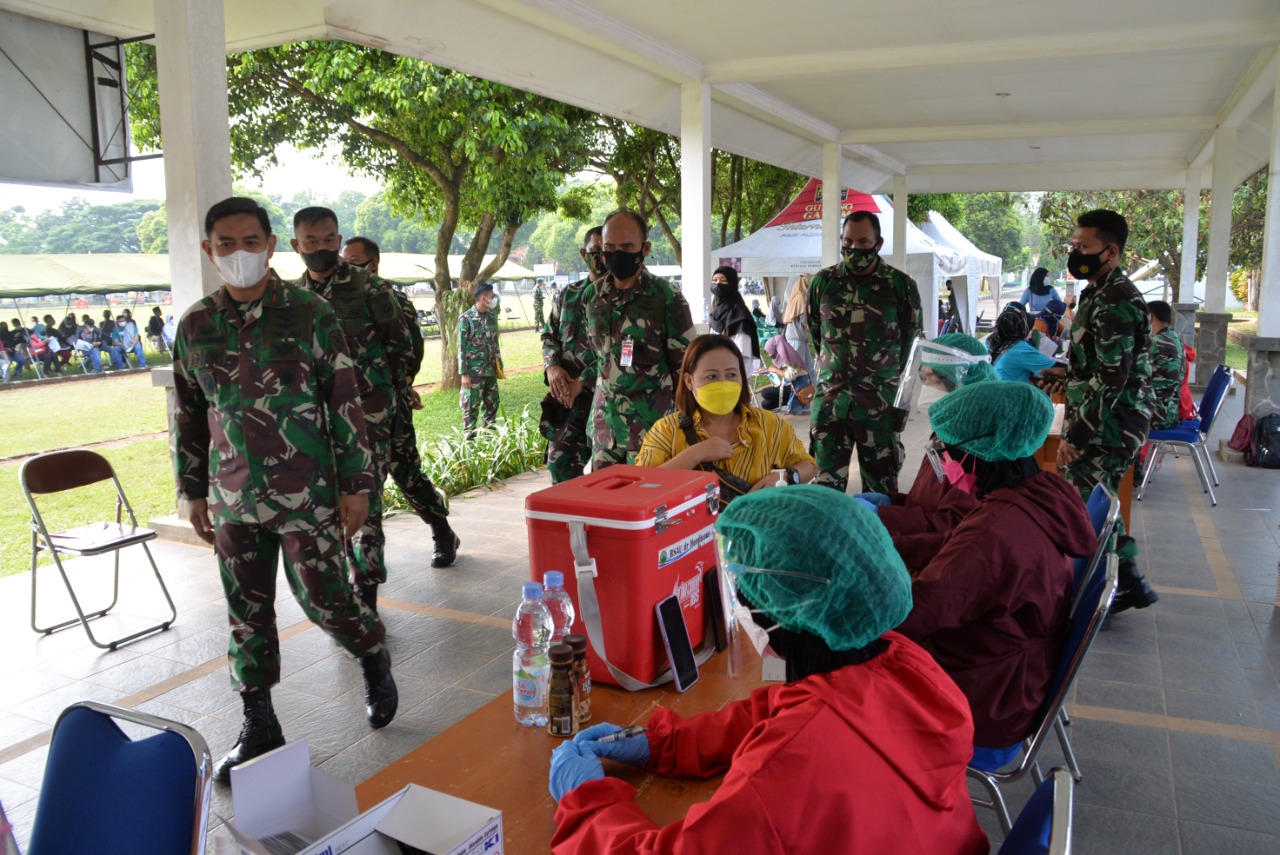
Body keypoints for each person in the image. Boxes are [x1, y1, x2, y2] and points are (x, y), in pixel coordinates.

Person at [548, 487, 989, 855]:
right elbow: (780, 708)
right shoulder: (902, 660)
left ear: (778, 614)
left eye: (743, 591)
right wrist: (663, 743)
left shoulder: (782, 775)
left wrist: (586, 800)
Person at [171, 196, 398, 784]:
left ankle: (371, 651)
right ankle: (259, 725)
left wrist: (357, 486)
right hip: (232, 500)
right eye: (226, 244)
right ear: (208, 250)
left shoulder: (310, 313)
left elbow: (344, 401)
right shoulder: (195, 325)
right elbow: (190, 416)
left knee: (325, 600)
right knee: (247, 614)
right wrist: (191, 490)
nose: (239, 253)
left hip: (307, 495)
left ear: (271, 246)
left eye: (251, 242)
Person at [897, 381, 1096, 750]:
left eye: (948, 452)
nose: (946, 463)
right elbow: (954, 546)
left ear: (979, 452)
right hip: (1017, 673)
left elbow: (920, 610)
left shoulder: (995, 530)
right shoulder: (1044, 493)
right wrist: (891, 548)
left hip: (987, 694)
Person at [293, 206, 416, 613]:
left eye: (329, 240)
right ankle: (341, 580)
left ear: (338, 238)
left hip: (369, 414)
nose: (321, 248)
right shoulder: (292, 298)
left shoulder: (368, 287)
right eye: (311, 242)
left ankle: (366, 590)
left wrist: (394, 396)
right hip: (315, 419)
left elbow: (400, 345)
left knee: (368, 499)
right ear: (296, 246)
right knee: (326, 501)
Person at [1041, 209, 1157, 613]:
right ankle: (1127, 581)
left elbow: (1112, 379)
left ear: (1110, 251)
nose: (1075, 253)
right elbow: (1094, 366)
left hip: (1111, 422)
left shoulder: (1115, 300)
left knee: (1085, 502)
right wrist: (1063, 375)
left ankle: (1098, 593)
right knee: (1099, 501)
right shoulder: (1098, 291)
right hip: (1107, 415)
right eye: (1073, 246)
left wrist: (1075, 437)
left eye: (1083, 247)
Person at [343, 236, 460, 567]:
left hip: (389, 407)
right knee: (361, 481)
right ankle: (363, 562)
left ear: (373, 264)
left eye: (354, 262)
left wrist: (400, 385)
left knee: (406, 473)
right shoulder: (333, 302)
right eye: (344, 261)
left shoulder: (392, 299)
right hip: (348, 413)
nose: (347, 268)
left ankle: (441, 530)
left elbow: (411, 350)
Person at [568, 209, 694, 470]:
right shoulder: (592, 297)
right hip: (606, 430)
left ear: (645, 248)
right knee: (605, 506)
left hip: (653, 431)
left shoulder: (666, 298)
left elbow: (685, 368)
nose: (617, 254)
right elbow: (597, 357)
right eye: (610, 247)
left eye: (627, 246)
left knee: (646, 505)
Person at [808, 210, 922, 494]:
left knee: (880, 491)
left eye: (863, 242)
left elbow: (912, 344)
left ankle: (877, 539)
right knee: (825, 490)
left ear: (878, 243)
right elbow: (815, 334)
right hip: (832, 404)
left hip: (879, 406)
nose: (854, 249)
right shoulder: (823, 282)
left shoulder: (901, 286)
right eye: (848, 241)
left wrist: (898, 396)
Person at [867, 332, 996, 572]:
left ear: (962, 383)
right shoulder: (945, 433)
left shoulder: (976, 448)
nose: (925, 389)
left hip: (946, 567)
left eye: (933, 380)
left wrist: (884, 519)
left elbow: (951, 526)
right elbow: (930, 504)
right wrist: (892, 502)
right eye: (922, 379)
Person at [635, 334, 815, 501]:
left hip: (754, 530)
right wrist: (695, 454)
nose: (723, 384)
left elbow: (809, 466)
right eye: (711, 376)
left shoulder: (769, 425)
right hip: (692, 534)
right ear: (689, 381)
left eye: (731, 375)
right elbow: (642, 487)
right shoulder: (667, 430)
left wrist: (784, 477)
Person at [540, 227, 605, 484]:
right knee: (560, 466)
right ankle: (571, 525)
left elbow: (619, 352)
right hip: (568, 401)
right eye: (595, 251)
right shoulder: (568, 295)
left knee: (606, 476)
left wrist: (583, 382)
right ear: (583, 254)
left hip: (606, 400)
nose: (601, 257)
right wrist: (552, 367)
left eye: (606, 251)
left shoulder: (623, 299)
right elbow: (549, 336)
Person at [458, 280, 503, 436]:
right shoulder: (466, 319)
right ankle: (470, 446)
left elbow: (495, 343)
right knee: (470, 408)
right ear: (484, 299)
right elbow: (461, 347)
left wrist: (499, 366)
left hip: (490, 371)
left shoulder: (491, 317)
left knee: (492, 406)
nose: (494, 299)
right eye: (492, 296)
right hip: (473, 373)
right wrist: (464, 373)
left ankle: (489, 443)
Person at [707, 265, 760, 373]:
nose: (717, 284)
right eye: (714, 280)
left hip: (734, 374)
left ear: (732, 284)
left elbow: (741, 351)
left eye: (723, 281)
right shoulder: (717, 310)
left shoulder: (739, 314)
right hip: (716, 371)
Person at [987, 303, 1056, 383]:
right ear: (1022, 329)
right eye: (1029, 329)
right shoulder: (1019, 348)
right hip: (1011, 393)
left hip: (994, 389)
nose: (1030, 332)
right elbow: (1052, 369)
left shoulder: (992, 341)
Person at [1147, 300, 1185, 431]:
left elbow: (1133, 373)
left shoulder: (1156, 343)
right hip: (1170, 411)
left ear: (1150, 317)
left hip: (1157, 416)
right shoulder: (1174, 337)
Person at [760, 329, 810, 415]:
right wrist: (767, 369)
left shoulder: (790, 358)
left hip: (797, 389)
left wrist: (775, 370)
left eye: (770, 351)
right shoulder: (785, 354)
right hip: (790, 386)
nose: (769, 354)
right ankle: (787, 400)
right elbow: (782, 367)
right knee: (765, 404)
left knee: (765, 392)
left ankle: (793, 401)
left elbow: (790, 376)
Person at [782, 272, 815, 381]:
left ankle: (815, 392)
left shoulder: (796, 295)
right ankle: (792, 395)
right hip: (797, 339)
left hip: (799, 338)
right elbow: (804, 320)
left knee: (809, 369)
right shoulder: (801, 297)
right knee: (795, 372)